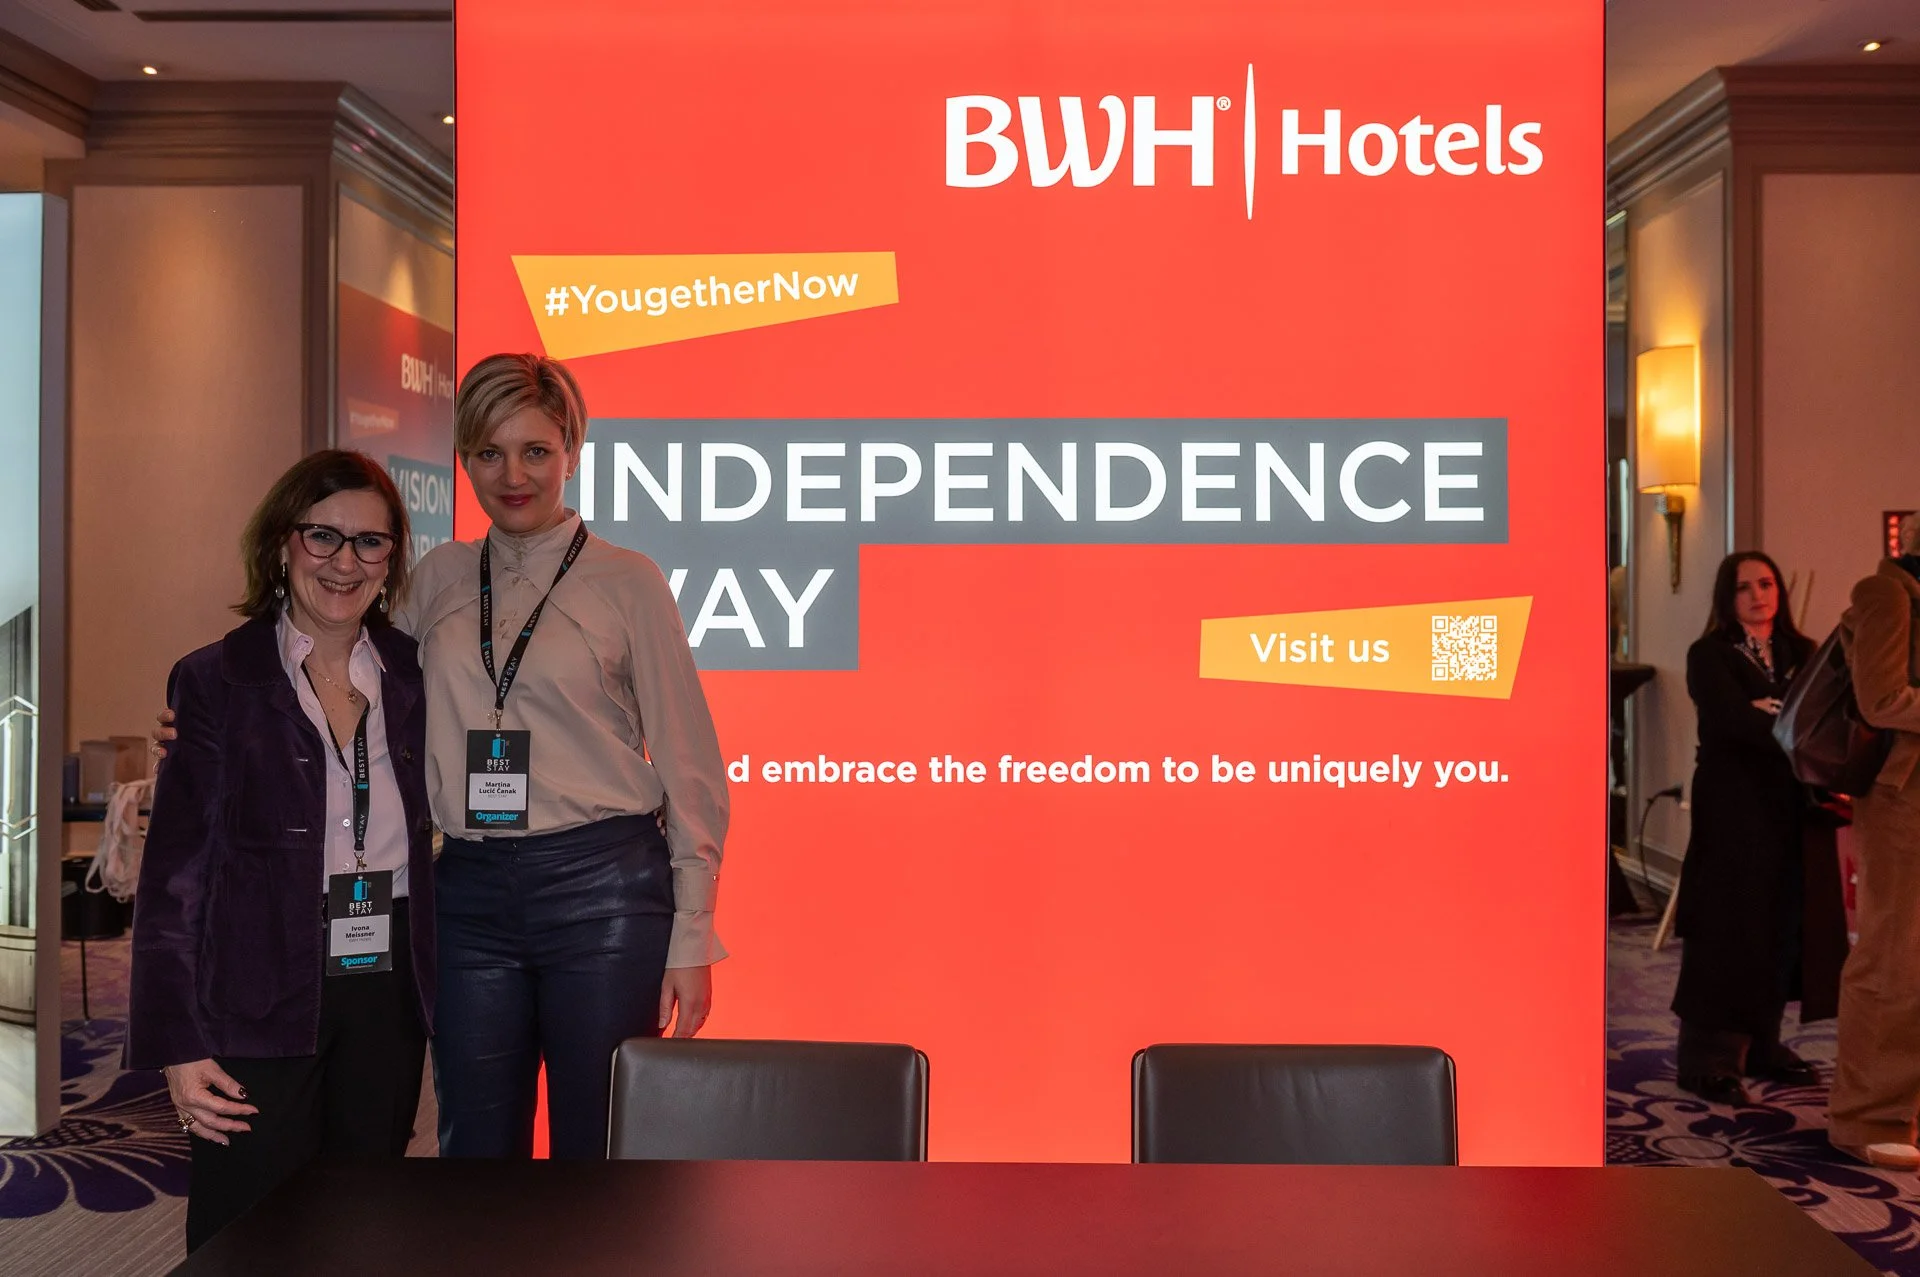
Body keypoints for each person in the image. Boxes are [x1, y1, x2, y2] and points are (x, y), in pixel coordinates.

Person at [405, 352, 727, 1159]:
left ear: (572, 451)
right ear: (464, 457)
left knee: (600, 1147)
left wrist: (692, 930)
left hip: (604, 891)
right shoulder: (436, 578)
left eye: (535, 451)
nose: (512, 475)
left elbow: (689, 765)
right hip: (466, 892)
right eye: (488, 452)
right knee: (474, 1147)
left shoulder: (628, 580)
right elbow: (358, 698)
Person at [128, 452, 435, 1250]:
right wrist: (178, 1043)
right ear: (280, 546)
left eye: (370, 543)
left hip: (385, 985)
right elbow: (173, 884)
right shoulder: (215, 681)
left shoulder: (414, 674)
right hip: (255, 988)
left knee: (366, 1218)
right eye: (323, 535)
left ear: (391, 559)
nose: (345, 561)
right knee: (250, 1227)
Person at [1670, 551, 1844, 1106]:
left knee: (1781, 923)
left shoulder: (1803, 650)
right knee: (1727, 926)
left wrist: (1771, 713)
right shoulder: (1710, 654)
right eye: (1744, 587)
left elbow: (1822, 720)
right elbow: (1730, 723)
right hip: (1732, 807)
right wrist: (1777, 719)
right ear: (1728, 597)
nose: (1757, 595)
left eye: (1766, 583)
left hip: (1790, 807)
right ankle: (1708, 1059)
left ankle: (1764, 1044)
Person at [1830, 519, 1920, 1169]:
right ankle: (1867, 1114)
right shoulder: (1885, 593)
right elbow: (1881, 697)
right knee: (1893, 960)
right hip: (1901, 800)